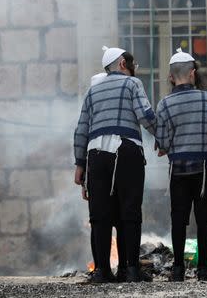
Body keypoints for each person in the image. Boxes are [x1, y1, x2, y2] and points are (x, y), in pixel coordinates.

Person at [73, 46, 157, 283]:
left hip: (96, 155)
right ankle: (130, 270)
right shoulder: (132, 84)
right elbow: (145, 115)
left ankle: (101, 271)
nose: (134, 70)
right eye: (133, 65)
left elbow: (81, 129)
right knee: (129, 212)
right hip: (126, 150)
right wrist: (164, 137)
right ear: (122, 64)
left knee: (99, 214)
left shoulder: (92, 91)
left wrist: (80, 164)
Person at [155, 49, 207, 282]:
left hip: (179, 170)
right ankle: (203, 269)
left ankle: (177, 270)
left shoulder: (164, 105)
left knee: (179, 219)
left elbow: (163, 142)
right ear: (193, 73)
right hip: (205, 168)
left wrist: (169, 145)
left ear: (171, 77)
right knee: (204, 218)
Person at [85, 72, 127, 283]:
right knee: (109, 220)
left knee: (100, 220)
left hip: (98, 164)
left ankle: (102, 269)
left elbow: (81, 136)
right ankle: (108, 269)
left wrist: (81, 168)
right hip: (108, 164)